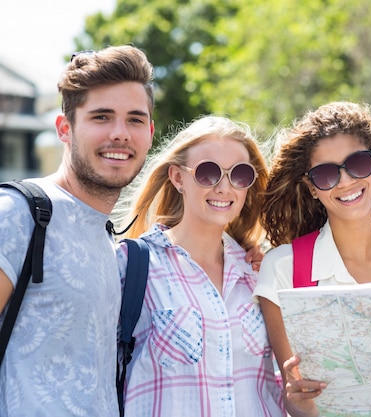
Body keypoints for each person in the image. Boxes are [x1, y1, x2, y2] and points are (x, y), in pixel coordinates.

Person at [0, 45, 155, 416]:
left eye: (135, 119)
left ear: (150, 132)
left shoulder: (106, 236)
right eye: (102, 117)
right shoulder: (17, 213)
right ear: (65, 129)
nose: (120, 134)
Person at [253, 101, 371, 417]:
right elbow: (297, 402)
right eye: (325, 173)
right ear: (311, 187)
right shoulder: (282, 268)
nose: (345, 182)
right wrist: (299, 398)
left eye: (357, 163)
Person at [115, 115, 285, 417]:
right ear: (178, 178)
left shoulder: (259, 272)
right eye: (208, 172)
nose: (224, 187)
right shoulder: (131, 267)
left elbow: (279, 386)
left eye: (240, 175)